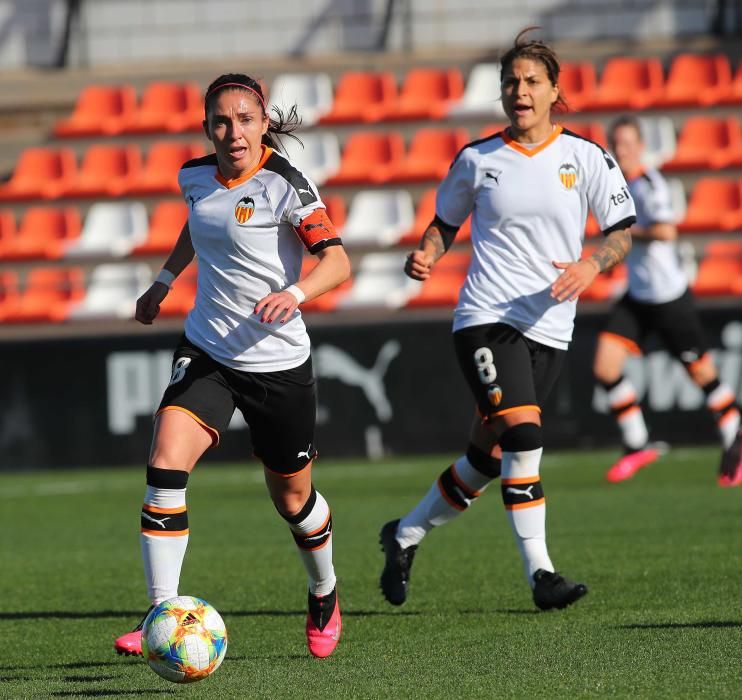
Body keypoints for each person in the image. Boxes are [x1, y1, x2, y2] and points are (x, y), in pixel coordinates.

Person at [379, 28, 637, 610]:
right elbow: (444, 223)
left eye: (530, 81)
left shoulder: (585, 157)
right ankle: (541, 575)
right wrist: (427, 252)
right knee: (524, 436)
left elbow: (621, 232)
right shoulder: (477, 159)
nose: (518, 91)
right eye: (510, 82)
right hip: (486, 318)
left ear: (554, 91)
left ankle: (405, 534)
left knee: (487, 460)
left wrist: (593, 264)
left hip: (552, 325)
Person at [113, 73, 351, 659]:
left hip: (278, 362)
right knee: (165, 463)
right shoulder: (193, 176)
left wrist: (294, 295)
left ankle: (324, 590)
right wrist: (164, 282)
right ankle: (159, 615)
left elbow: (338, 262)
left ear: (263, 122)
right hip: (208, 351)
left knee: (293, 499)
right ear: (207, 128)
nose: (233, 132)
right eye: (222, 121)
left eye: (244, 120)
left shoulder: (287, 186)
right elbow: (199, 225)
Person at [593, 115, 742, 486]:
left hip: (668, 298)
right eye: (617, 143)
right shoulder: (620, 185)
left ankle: (735, 444)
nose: (622, 150)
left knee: (703, 375)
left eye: (628, 143)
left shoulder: (649, 184)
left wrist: (624, 235)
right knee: (605, 366)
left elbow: (665, 230)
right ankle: (637, 442)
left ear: (641, 146)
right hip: (639, 298)